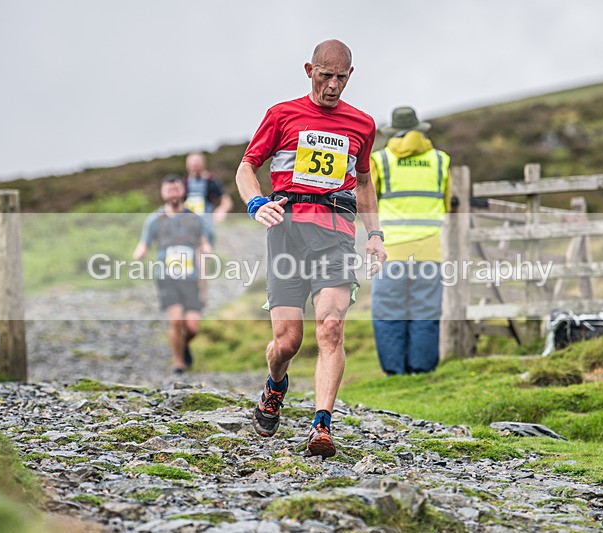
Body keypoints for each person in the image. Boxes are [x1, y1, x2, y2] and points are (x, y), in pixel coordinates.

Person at [235, 39, 386, 458]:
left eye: (341, 77)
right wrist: (256, 201)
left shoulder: (362, 124)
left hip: (337, 232)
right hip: (287, 233)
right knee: (287, 342)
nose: (333, 85)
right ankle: (276, 384)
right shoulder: (281, 114)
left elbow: (365, 180)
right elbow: (247, 167)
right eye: (325, 75)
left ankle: (322, 425)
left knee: (331, 327)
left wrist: (374, 234)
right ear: (309, 70)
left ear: (350, 75)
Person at [370, 106, 452, 375]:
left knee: (388, 310)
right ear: (419, 130)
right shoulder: (441, 160)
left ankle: (394, 372)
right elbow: (449, 203)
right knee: (426, 310)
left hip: (391, 252)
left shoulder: (380, 160)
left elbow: (367, 201)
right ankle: (421, 370)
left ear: (392, 132)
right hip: (432, 249)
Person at [133, 174, 211, 375]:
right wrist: (140, 253)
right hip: (167, 277)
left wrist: (206, 249)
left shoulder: (194, 218)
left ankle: (183, 345)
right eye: (169, 190)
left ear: (183, 191)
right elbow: (145, 243)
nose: (173, 192)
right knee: (176, 322)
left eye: (176, 189)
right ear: (162, 193)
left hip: (191, 277)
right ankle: (179, 364)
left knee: (192, 328)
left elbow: (203, 241)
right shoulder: (154, 220)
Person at [183, 152, 233, 247]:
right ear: (187, 165)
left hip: (206, 222)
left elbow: (226, 201)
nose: (195, 167)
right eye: (192, 164)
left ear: (203, 164)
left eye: (197, 164)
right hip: (188, 223)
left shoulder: (212, 181)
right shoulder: (184, 183)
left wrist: (221, 211)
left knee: (205, 250)